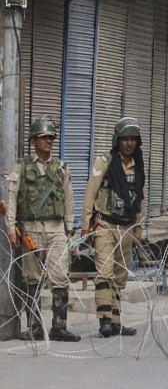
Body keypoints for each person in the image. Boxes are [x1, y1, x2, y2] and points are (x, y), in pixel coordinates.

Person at [5, 116, 81, 341]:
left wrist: (69, 228)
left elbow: (68, 198)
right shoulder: (22, 167)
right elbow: (12, 198)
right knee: (32, 278)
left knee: (60, 276)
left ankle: (59, 326)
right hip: (31, 228)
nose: (48, 141)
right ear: (33, 141)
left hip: (56, 228)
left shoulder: (60, 168)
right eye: (43, 137)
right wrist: (11, 228)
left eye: (50, 137)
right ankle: (36, 327)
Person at [82, 117, 145, 338]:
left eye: (132, 140)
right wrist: (85, 223)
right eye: (124, 139)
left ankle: (117, 321)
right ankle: (104, 320)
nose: (129, 144)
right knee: (105, 273)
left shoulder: (138, 165)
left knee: (120, 276)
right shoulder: (105, 161)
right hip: (105, 224)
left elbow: (140, 198)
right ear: (117, 140)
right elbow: (91, 191)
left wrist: (139, 227)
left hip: (126, 227)